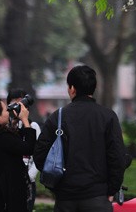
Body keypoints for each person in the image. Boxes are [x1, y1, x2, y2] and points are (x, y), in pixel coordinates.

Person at [34, 64, 126, 212]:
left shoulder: (58, 117)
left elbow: (39, 155)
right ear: (93, 88)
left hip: (65, 199)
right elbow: (117, 157)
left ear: (72, 88)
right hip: (97, 197)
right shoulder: (108, 117)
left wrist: (55, 186)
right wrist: (111, 190)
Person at [7, 88, 41, 212]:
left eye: (21, 102)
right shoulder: (5, 126)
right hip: (8, 178)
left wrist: (30, 176)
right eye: (14, 102)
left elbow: (38, 153)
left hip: (27, 179)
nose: (18, 105)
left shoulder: (33, 126)